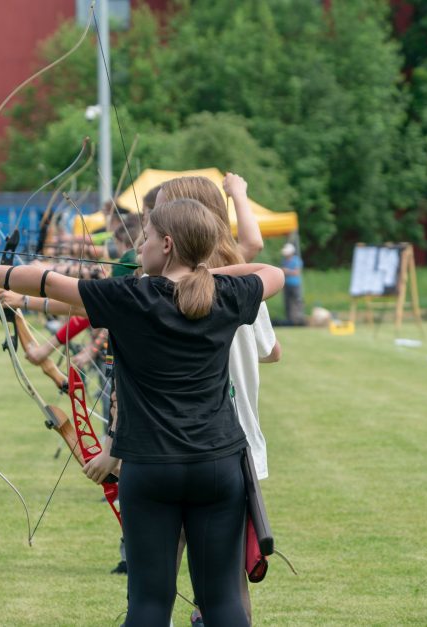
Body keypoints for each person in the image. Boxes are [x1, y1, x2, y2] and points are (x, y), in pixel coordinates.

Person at [0, 198, 284, 626]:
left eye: (148, 238)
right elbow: (272, 274)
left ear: (168, 245)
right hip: (217, 464)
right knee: (224, 602)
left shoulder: (128, 297)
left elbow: (42, 281)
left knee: (149, 603)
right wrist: (201, 276)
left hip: (149, 466)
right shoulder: (226, 295)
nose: (140, 247)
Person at [158, 173, 279, 625]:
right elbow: (272, 351)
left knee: (164, 571)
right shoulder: (246, 287)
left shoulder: (172, 292)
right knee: (227, 581)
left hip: (193, 446)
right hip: (236, 449)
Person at [280, 243, 305, 325]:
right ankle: (289, 321)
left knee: (297, 302)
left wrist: (286, 271)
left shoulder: (296, 260)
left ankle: (298, 320)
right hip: (286, 285)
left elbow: (296, 272)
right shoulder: (284, 261)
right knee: (287, 303)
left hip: (295, 284)